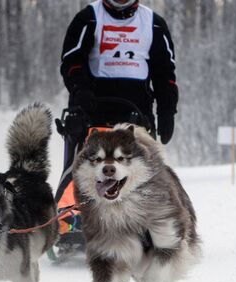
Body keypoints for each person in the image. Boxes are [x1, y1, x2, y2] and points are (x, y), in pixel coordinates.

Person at [52, 0, 178, 255]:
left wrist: (167, 111)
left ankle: (145, 221)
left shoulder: (153, 23)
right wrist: (81, 91)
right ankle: (72, 221)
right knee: (83, 168)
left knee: (142, 171)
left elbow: (165, 73)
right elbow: (71, 62)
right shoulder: (88, 18)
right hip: (91, 112)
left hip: (136, 114)